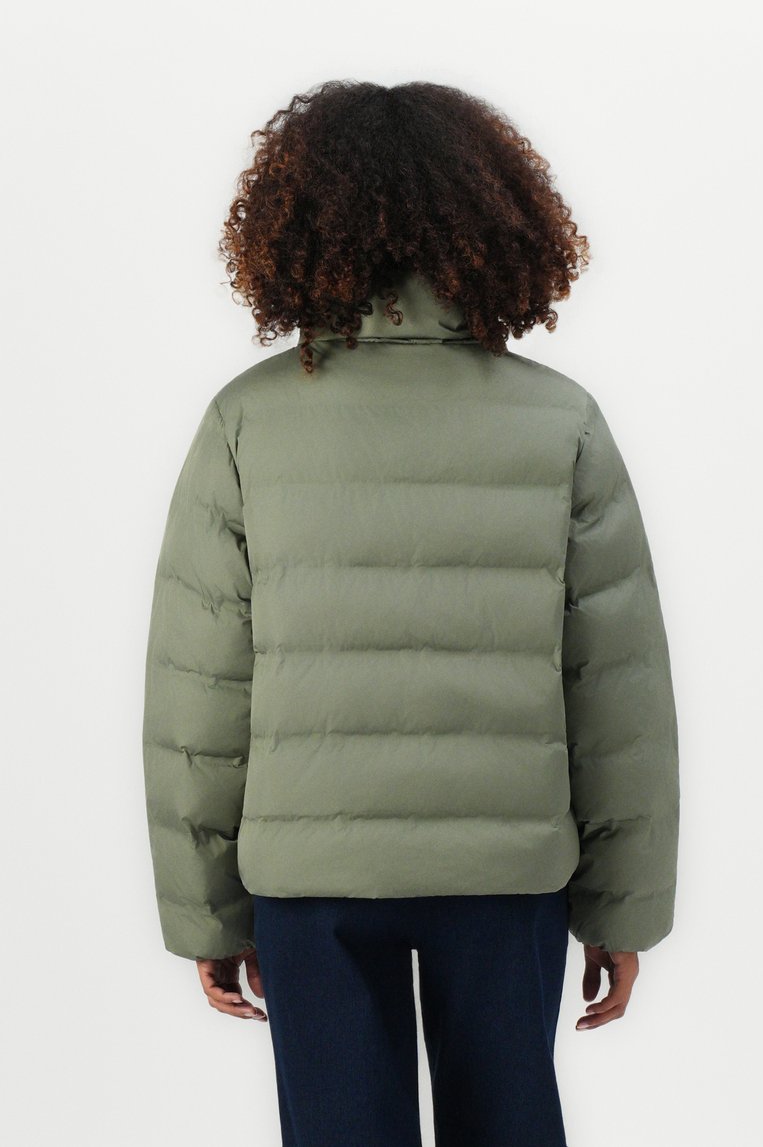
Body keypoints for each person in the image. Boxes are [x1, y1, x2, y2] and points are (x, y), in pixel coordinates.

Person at [141, 79, 680, 1147]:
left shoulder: (247, 422)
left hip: (313, 882)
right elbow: (616, 688)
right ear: (499, 222)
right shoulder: (560, 421)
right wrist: (621, 906)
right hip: (507, 872)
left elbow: (199, 690)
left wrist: (207, 910)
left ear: (292, 225)